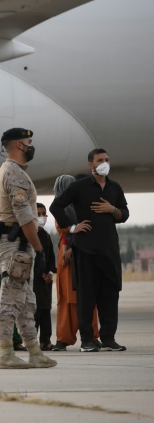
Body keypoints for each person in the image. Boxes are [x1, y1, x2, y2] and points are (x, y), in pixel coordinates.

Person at [50, 148, 129, 352]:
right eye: (100, 160)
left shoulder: (115, 188)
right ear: (90, 164)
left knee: (110, 295)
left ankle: (109, 338)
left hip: (109, 250)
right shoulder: (80, 187)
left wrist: (113, 210)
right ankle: (87, 341)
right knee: (86, 296)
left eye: (107, 159)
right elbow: (56, 206)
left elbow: (125, 213)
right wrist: (72, 228)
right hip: (85, 250)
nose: (104, 163)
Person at [0, 128, 56, 369]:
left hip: (16, 242)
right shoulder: (14, 174)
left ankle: (34, 351)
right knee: (10, 299)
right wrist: (40, 250)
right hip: (15, 244)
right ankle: (6, 354)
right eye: (29, 142)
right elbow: (25, 217)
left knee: (26, 300)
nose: (31, 146)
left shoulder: (7, 171)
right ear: (19, 145)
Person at [50, 175, 100, 351]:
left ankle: (93, 336)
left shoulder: (83, 204)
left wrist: (72, 245)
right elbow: (63, 230)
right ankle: (63, 338)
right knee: (66, 298)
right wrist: (67, 245)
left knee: (86, 294)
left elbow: (88, 227)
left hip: (81, 252)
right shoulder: (59, 207)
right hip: (66, 257)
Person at [33, 203, 57, 350]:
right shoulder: (27, 234)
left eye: (44, 213)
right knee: (34, 312)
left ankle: (45, 341)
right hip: (32, 281)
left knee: (46, 310)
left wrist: (49, 273)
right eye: (38, 214)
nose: (42, 217)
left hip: (45, 281)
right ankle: (32, 341)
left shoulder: (45, 235)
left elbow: (50, 257)